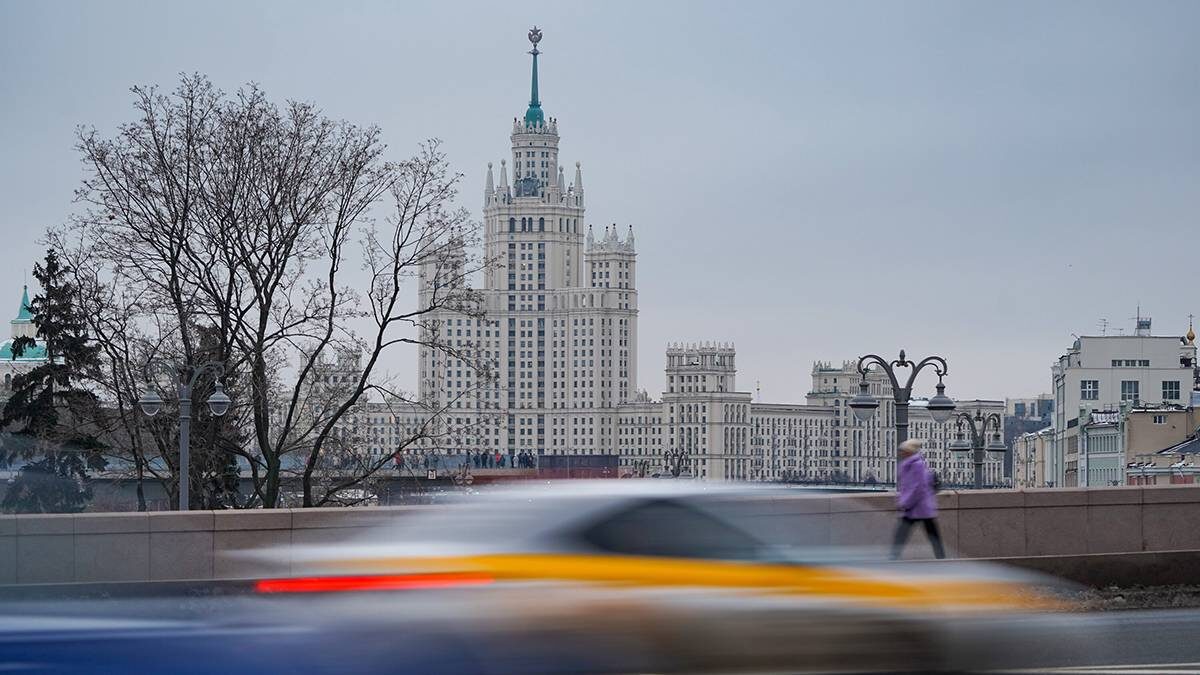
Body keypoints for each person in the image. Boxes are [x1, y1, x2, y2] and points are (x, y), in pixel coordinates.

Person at [891, 439, 946, 560]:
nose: (901, 453)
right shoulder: (908, 464)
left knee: (906, 533)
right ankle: (941, 557)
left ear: (909, 451)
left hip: (918, 506)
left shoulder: (916, 465)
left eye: (903, 450)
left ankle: (893, 557)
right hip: (918, 506)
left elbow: (918, 487)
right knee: (931, 534)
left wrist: (906, 503)